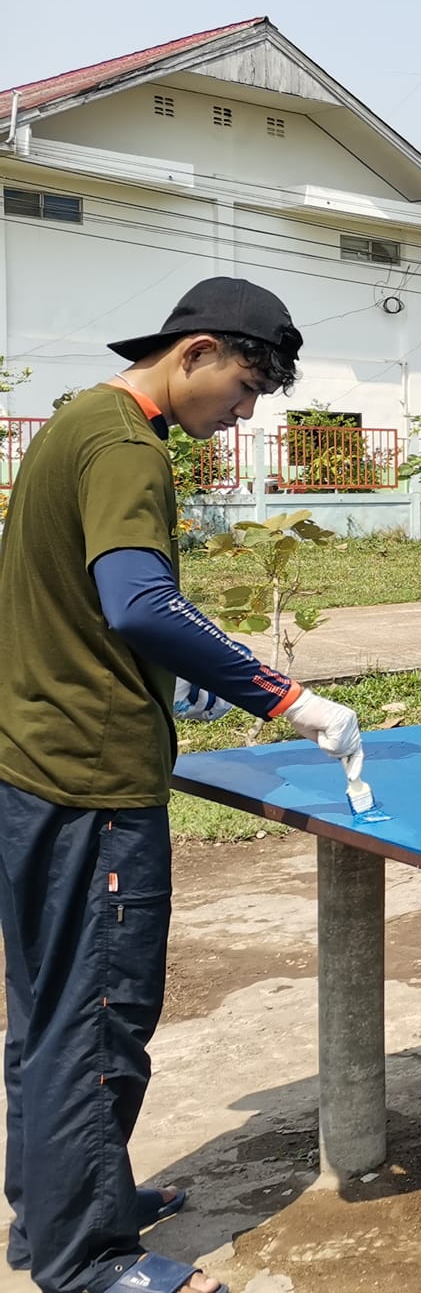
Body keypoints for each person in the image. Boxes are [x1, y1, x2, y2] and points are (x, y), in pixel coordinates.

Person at [0, 278, 364, 1293]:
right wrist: (283, 696)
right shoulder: (127, 444)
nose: (241, 415)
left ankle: (57, 1214)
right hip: (91, 781)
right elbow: (139, 602)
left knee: (46, 1010)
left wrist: (177, 678)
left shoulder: (76, 423)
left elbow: (82, 601)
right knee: (98, 1015)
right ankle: (89, 1261)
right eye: (243, 389)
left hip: (32, 763)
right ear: (197, 352)